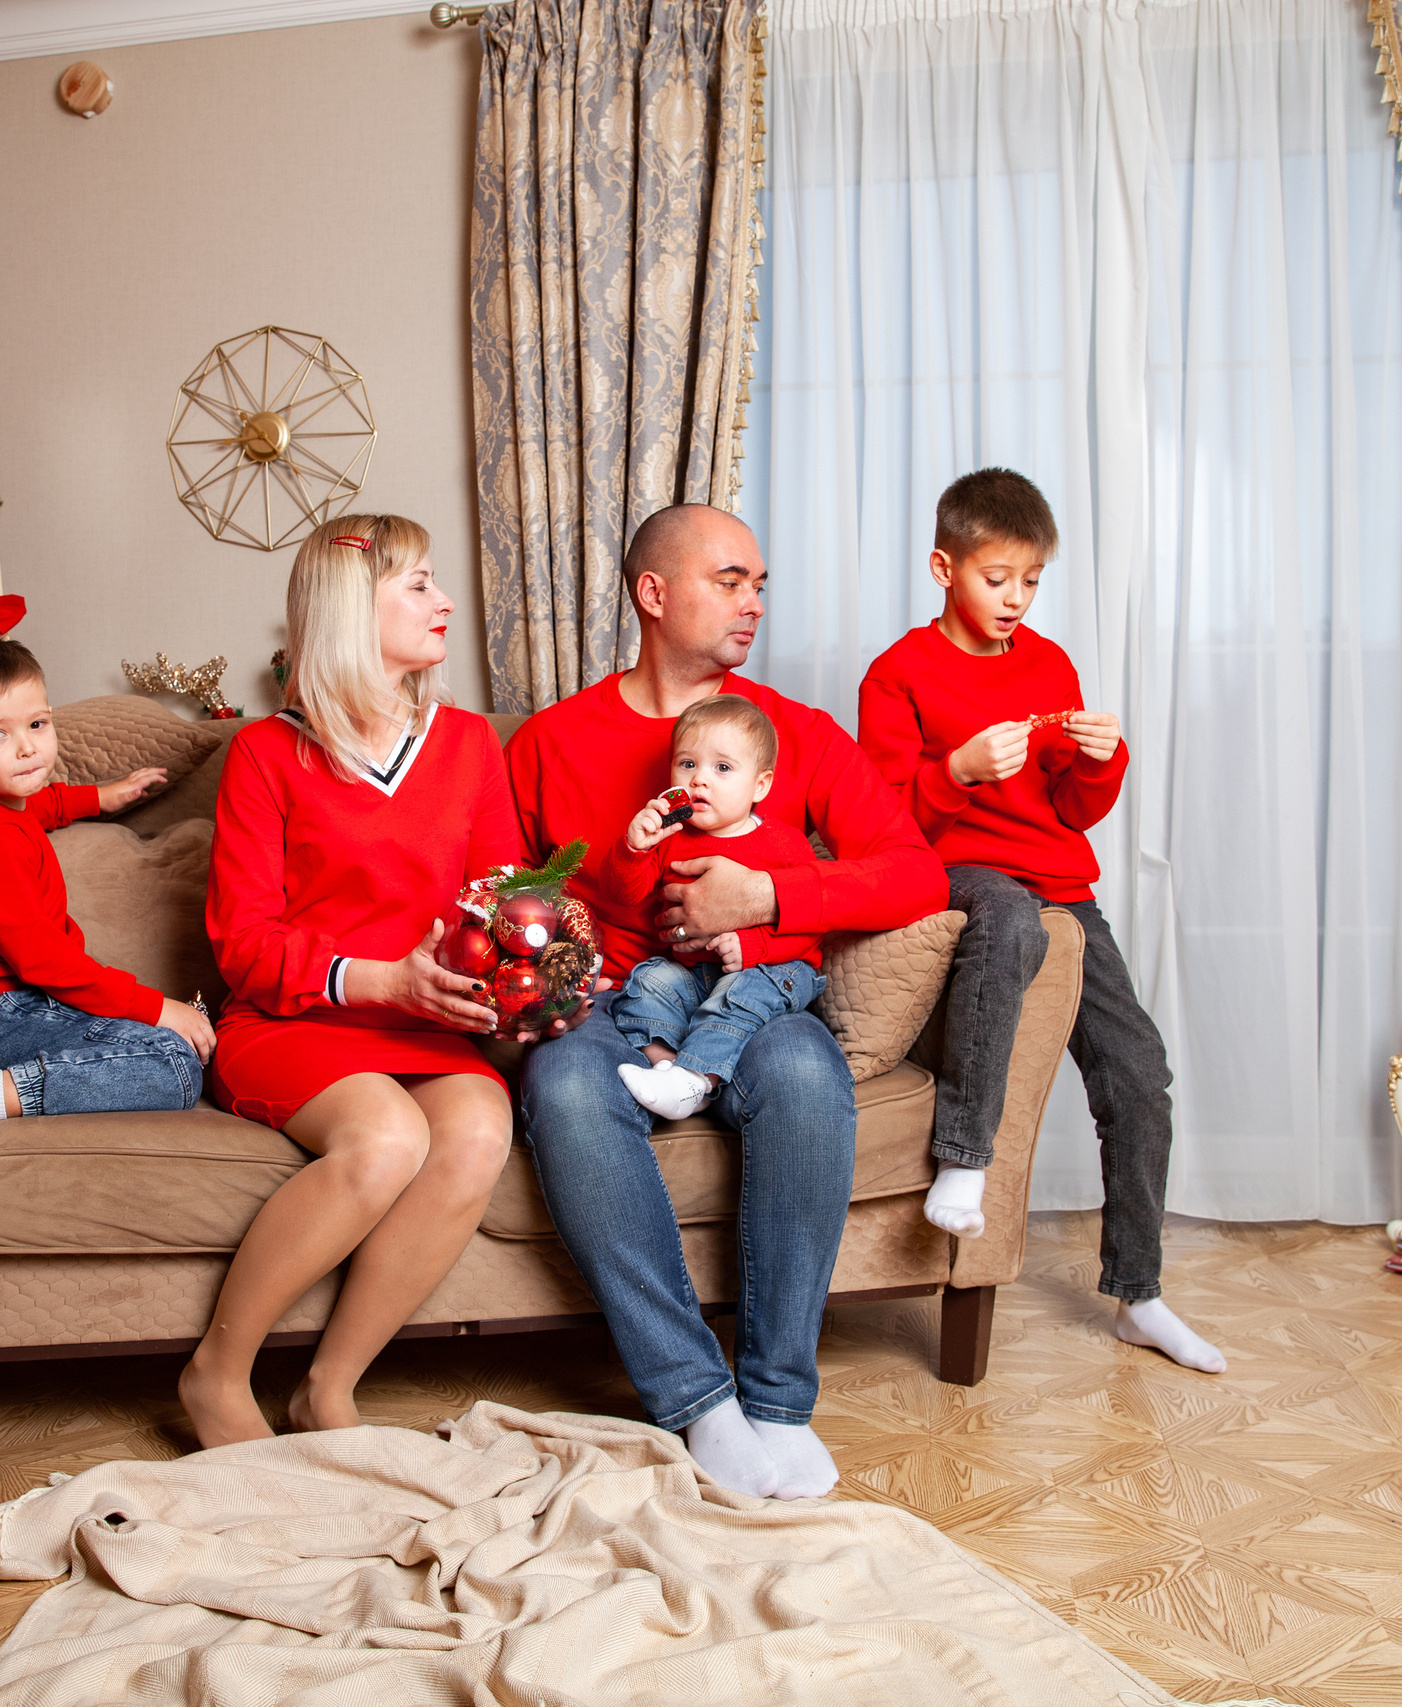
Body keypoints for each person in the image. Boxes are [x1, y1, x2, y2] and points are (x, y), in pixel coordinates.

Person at [506, 504, 948, 1500]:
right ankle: (699, 1402)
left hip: (753, 990)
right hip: (618, 1004)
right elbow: (507, 893)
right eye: (729, 580)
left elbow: (915, 873)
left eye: (759, 584)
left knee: (804, 1073)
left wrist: (770, 896)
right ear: (653, 594)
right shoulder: (548, 741)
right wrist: (567, 953)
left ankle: (780, 1403)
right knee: (564, 1087)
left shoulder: (794, 734)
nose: (753, 602)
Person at [857, 467, 1223, 1374]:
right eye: (997, 578)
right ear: (944, 567)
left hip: (1061, 882)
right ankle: (965, 1157)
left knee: (1139, 1072)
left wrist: (1102, 759)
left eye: (1031, 579)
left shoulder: (1049, 662)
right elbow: (882, 824)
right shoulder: (898, 673)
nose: (1016, 597)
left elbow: (1071, 808)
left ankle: (1139, 1293)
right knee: (1011, 917)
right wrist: (958, 771)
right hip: (961, 874)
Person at [189, 515, 518, 1449]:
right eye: (417, 584)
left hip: (425, 1025)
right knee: (386, 1138)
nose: (444, 601)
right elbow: (243, 945)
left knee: (479, 1130)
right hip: (293, 1021)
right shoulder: (264, 754)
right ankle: (215, 1375)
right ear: (348, 607)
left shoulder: (469, 743)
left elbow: (502, 899)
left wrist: (534, 971)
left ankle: (327, 1387)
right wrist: (384, 982)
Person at [0, 636, 215, 1184]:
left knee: (184, 1041)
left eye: (37, 725)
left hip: (27, 1002)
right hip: (0, 1014)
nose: (27, 748)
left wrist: (102, 796)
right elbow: (45, 963)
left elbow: (39, 805)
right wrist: (156, 1008)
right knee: (174, 1064)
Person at [602, 695, 826, 1122]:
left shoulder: (785, 844)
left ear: (760, 786)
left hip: (770, 971)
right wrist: (634, 848)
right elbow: (623, 893)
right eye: (687, 764)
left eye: (722, 768)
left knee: (744, 990)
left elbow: (810, 930)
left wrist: (754, 948)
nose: (699, 779)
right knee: (645, 980)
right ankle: (669, 1070)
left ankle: (696, 1076)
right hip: (693, 977)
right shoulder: (670, 837)